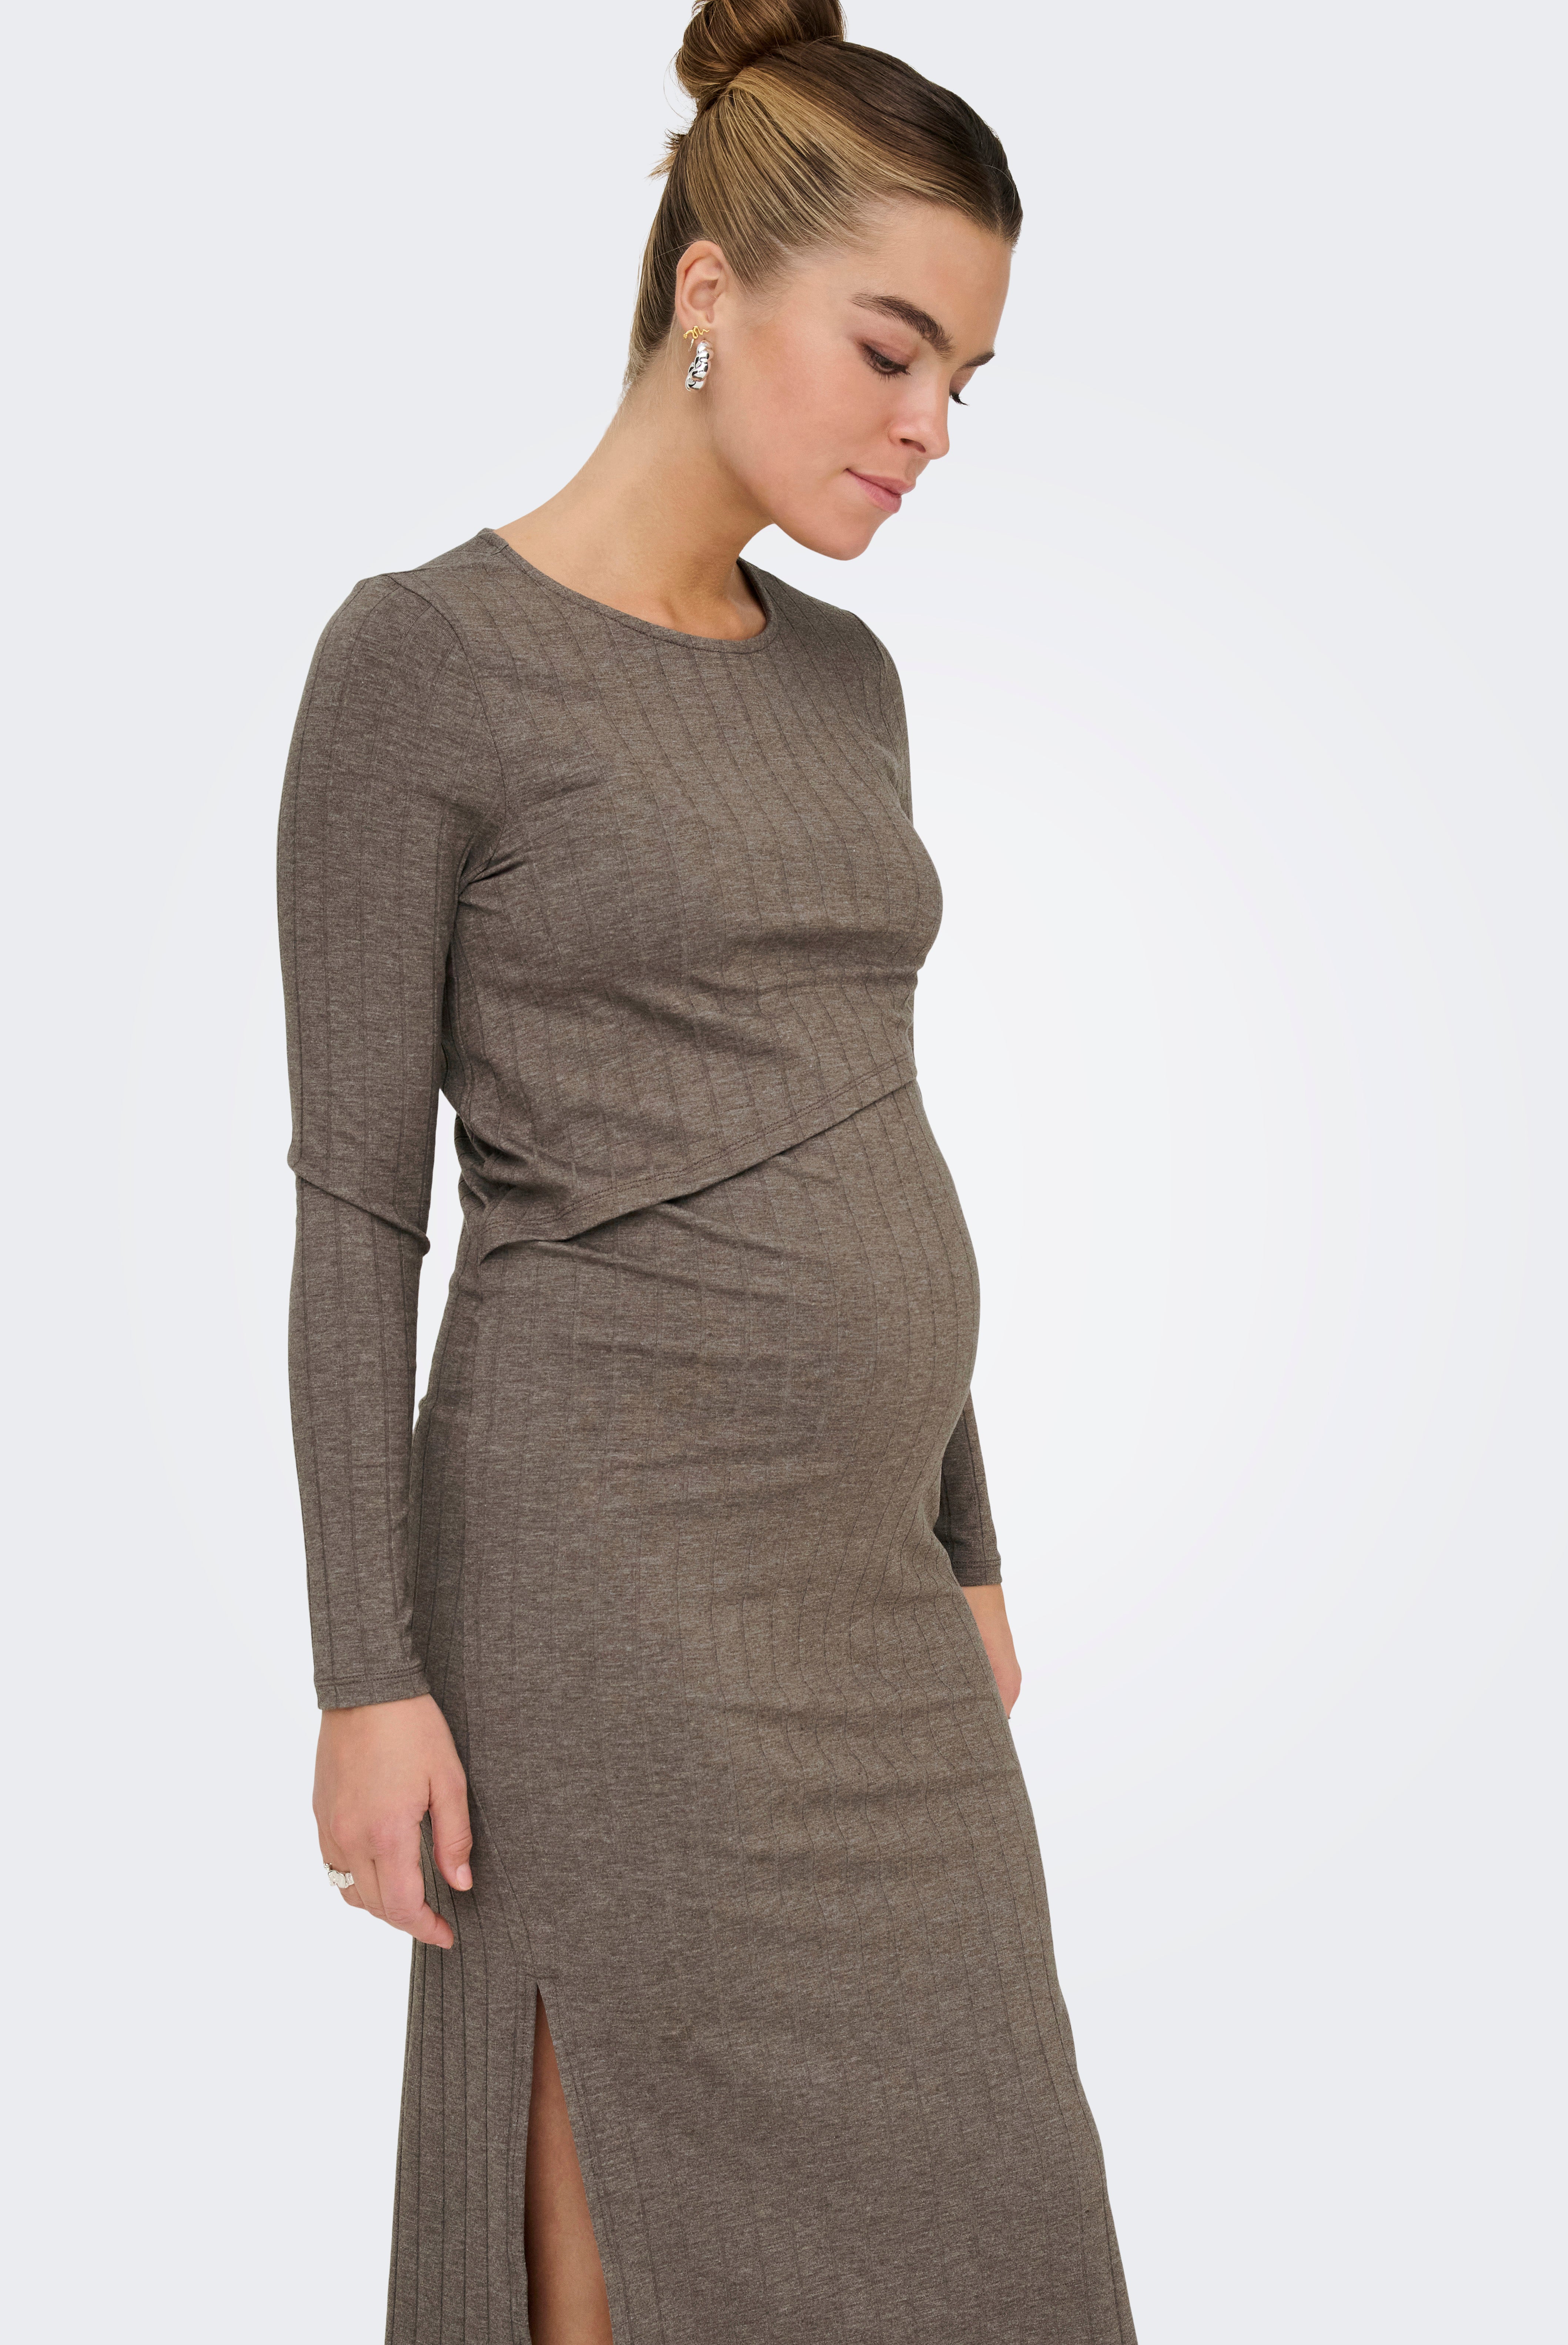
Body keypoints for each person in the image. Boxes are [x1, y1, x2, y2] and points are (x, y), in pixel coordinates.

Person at [276, 4, 1137, 2339]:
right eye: (892, 350)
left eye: (965, 378)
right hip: (606, 1603)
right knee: (637, 2233)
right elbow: (356, 1211)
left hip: (872, 1603)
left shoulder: (846, 684)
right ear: (708, 291)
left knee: (1000, 2214)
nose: (929, 427)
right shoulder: (427, 663)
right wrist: (367, 1675)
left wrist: (963, 1538)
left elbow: (863, 1103)